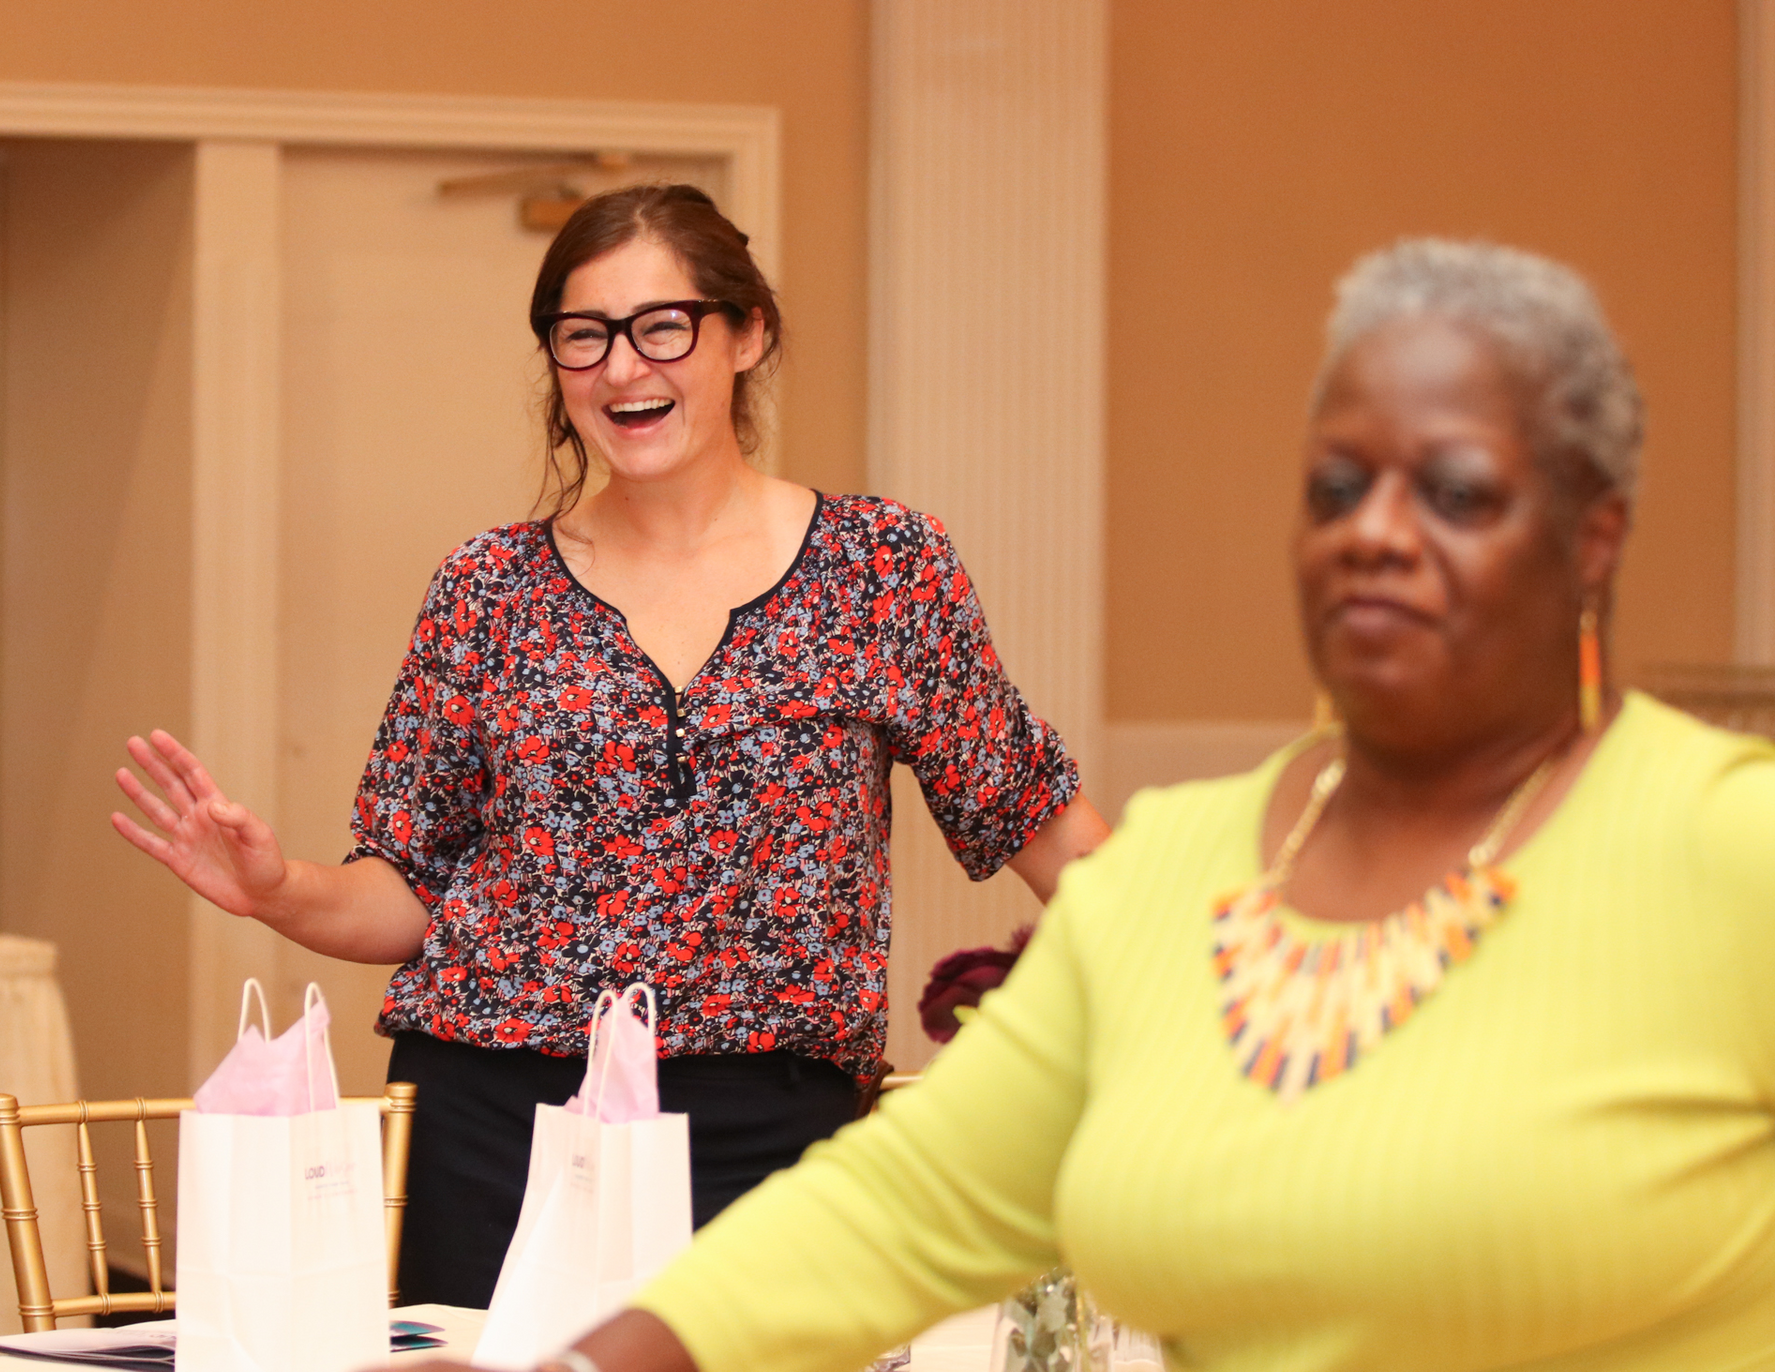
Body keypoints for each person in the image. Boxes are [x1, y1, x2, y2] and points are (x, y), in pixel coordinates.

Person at [512, 239, 1775, 1372]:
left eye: (1455, 493)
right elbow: (905, 1205)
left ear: (1593, 538)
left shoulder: (1730, 848)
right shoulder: (1177, 872)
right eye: (1338, 491)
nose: (1375, 535)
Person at [111, 182, 1108, 1308]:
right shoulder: (486, 588)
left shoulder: (884, 568)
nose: (624, 369)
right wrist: (277, 887)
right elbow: (404, 889)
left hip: (775, 1139)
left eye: (663, 327)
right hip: (494, 1130)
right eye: (583, 337)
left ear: (747, 333)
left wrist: (1219, 976)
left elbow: (1038, 820)